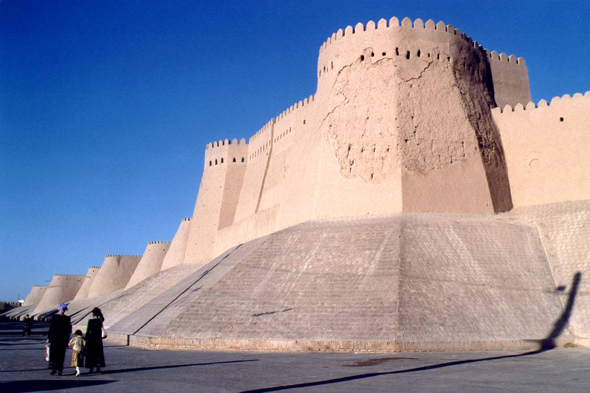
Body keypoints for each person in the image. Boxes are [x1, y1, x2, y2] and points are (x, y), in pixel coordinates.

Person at [47, 303, 71, 376]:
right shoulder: (67, 318)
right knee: (61, 355)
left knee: (54, 354)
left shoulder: (55, 317)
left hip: (55, 338)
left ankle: (54, 369)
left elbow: (51, 328)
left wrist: (48, 338)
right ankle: (60, 369)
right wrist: (67, 340)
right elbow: (68, 331)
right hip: (63, 339)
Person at [85, 307, 105, 373]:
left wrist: (85, 339)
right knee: (98, 354)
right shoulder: (100, 321)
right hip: (98, 340)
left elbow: (88, 331)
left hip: (91, 340)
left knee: (91, 354)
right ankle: (98, 367)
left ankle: (91, 368)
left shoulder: (91, 321)